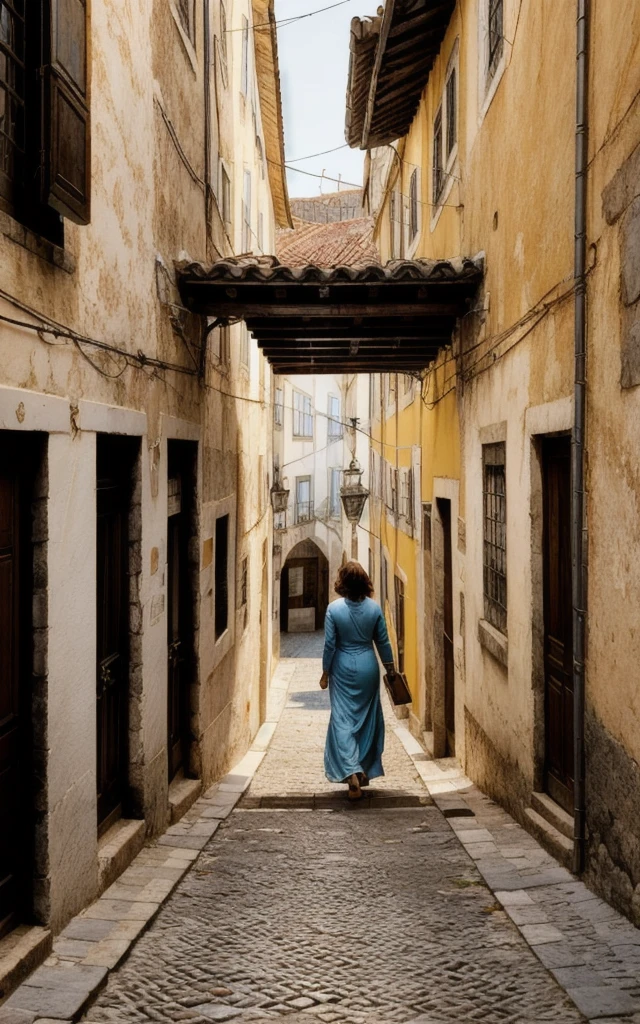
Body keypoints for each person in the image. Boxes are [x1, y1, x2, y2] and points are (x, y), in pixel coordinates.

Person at [320, 561, 397, 801]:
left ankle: (351, 770)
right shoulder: (374, 609)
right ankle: (362, 768)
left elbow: (330, 644)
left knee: (342, 721)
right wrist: (391, 669)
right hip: (367, 666)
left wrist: (325, 672)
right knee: (367, 720)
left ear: (342, 583)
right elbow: (383, 642)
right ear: (364, 581)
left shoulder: (334, 609)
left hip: (342, 667)